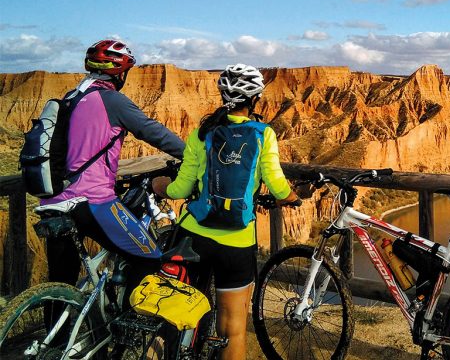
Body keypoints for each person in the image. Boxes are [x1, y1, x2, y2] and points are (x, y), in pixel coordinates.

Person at [152, 63, 299, 360]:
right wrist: (292, 198)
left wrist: (160, 187)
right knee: (231, 330)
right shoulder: (263, 134)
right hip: (236, 242)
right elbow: (277, 185)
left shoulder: (202, 133)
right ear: (254, 98)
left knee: (176, 314)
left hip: (192, 235)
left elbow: (180, 190)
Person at [42, 39, 185, 296]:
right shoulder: (112, 100)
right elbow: (153, 132)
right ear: (120, 73)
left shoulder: (72, 97)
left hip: (54, 199)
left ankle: (55, 336)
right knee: (149, 257)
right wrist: (192, 156)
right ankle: (128, 331)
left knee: (60, 286)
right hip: (92, 201)